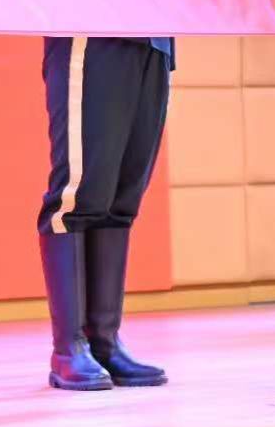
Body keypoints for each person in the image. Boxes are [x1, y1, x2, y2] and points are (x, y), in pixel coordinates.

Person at [35, 37, 173, 391]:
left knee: (121, 200)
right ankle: (69, 348)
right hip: (96, 34)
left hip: (155, 40)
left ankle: (104, 343)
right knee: (78, 195)